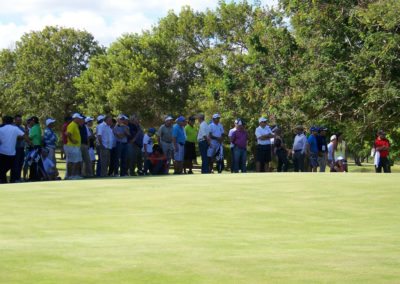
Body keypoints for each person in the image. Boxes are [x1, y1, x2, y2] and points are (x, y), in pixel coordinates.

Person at [0, 116, 26, 183]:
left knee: (2, 168)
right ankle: (12, 180)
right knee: (13, 167)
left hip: (2, 152)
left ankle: (3, 181)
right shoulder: (15, 129)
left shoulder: (1, 129)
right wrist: (31, 144)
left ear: (3, 121)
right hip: (12, 153)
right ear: (12, 121)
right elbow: (24, 136)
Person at [65, 113, 84, 179]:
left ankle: (74, 175)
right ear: (75, 118)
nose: (79, 119)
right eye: (78, 118)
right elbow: (68, 133)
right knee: (74, 161)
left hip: (76, 146)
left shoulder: (76, 125)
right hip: (72, 146)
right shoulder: (72, 125)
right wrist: (73, 140)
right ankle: (72, 175)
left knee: (77, 161)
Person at [10, 115, 26, 183]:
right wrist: (24, 136)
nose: (20, 121)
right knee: (15, 164)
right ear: (15, 120)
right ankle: (14, 179)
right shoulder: (13, 128)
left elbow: (25, 135)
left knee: (20, 163)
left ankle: (18, 178)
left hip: (22, 148)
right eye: (18, 120)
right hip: (16, 148)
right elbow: (18, 138)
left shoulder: (22, 127)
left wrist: (26, 133)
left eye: (20, 120)